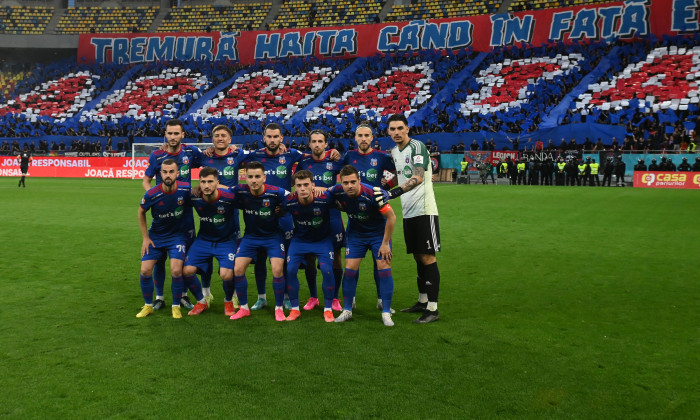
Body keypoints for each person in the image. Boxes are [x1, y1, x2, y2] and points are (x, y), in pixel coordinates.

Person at [375, 114, 441, 324]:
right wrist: (384, 188)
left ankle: (433, 308)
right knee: (417, 257)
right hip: (409, 211)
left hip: (424, 210)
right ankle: (422, 301)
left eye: (399, 128)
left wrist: (392, 193)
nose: (396, 132)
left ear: (407, 129)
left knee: (428, 257)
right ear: (388, 131)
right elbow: (401, 175)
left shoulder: (417, 146)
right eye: (392, 129)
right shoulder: (395, 151)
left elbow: (418, 176)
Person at [142, 119, 204, 310]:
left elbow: (209, 163)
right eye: (170, 133)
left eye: (177, 133)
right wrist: (153, 196)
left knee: (184, 260)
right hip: (164, 211)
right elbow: (146, 180)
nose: (173, 137)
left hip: (185, 214)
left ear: (182, 135)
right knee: (159, 259)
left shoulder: (191, 152)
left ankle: (183, 295)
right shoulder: (157, 155)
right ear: (165, 134)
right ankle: (159, 298)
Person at [329, 165, 396, 326]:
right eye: (346, 183)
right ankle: (347, 310)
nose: (350, 186)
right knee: (350, 269)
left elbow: (391, 217)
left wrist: (385, 243)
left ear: (359, 180)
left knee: (384, 267)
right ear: (341, 183)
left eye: (353, 182)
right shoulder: (336, 191)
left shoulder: (374, 194)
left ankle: (386, 312)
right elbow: (324, 192)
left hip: (378, 235)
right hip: (356, 234)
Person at [342, 124, 396, 312]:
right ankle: (352, 299)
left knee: (379, 261)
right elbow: (336, 173)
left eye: (366, 135)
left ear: (372, 138)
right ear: (355, 138)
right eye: (360, 135)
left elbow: (399, 171)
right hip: (356, 218)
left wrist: (388, 187)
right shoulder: (348, 156)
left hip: (378, 217)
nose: (363, 138)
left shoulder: (381, 157)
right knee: (352, 263)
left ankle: (382, 299)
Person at [228, 161, 291, 321]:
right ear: (245, 178)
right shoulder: (240, 191)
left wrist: (283, 208)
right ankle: (244, 308)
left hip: (273, 237)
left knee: (277, 269)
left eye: (257, 176)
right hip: (250, 237)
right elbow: (221, 190)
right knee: (238, 269)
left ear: (264, 178)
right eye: (250, 177)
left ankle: (278, 308)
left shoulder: (276, 192)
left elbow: (294, 197)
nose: (254, 180)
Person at [136, 159, 193, 319]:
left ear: (178, 173)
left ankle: (176, 306)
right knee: (145, 270)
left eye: (171, 172)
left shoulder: (185, 189)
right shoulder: (152, 193)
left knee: (176, 270)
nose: (168, 175)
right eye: (165, 172)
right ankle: (148, 306)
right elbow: (141, 212)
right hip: (156, 236)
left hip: (176, 236)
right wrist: (145, 237)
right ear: (160, 174)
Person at [295, 130, 345, 311]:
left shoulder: (335, 160)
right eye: (313, 141)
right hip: (309, 216)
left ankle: (335, 298)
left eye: (320, 141)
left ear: (326, 144)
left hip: (332, 215)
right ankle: (313, 297)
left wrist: (326, 190)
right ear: (309, 144)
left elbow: (346, 181)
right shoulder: (304, 162)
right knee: (310, 257)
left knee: (336, 257)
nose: (317, 144)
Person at [199, 125, 247, 306]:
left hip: (230, 213)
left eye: (223, 136)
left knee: (232, 256)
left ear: (229, 139)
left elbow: (259, 155)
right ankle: (206, 293)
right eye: (216, 135)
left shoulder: (237, 155)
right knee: (206, 254)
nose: (220, 138)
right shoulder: (205, 156)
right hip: (207, 211)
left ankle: (233, 294)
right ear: (212, 139)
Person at [182, 167, 239, 317]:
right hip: (203, 240)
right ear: (199, 183)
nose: (206, 185)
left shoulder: (230, 196)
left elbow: (251, 201)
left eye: (210, 182)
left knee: (226, 275)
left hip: (226, 241)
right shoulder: (194, 196)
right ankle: (201, 302)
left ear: (217, 183)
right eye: (203, 182)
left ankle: (228, 301)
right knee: (186, 271)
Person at [283, 170, 338, 322]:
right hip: (299, 240)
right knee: (291, 269)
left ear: (313, 185)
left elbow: (341, 194)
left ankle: (328, 309)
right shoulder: (289, 201)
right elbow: (278, 210)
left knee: (327, 270)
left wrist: (326, 189)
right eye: (299, 185)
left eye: (306, 185)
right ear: (294, 187)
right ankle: (295, 309)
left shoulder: (325, 198)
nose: (302, 189)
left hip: (322, 240)